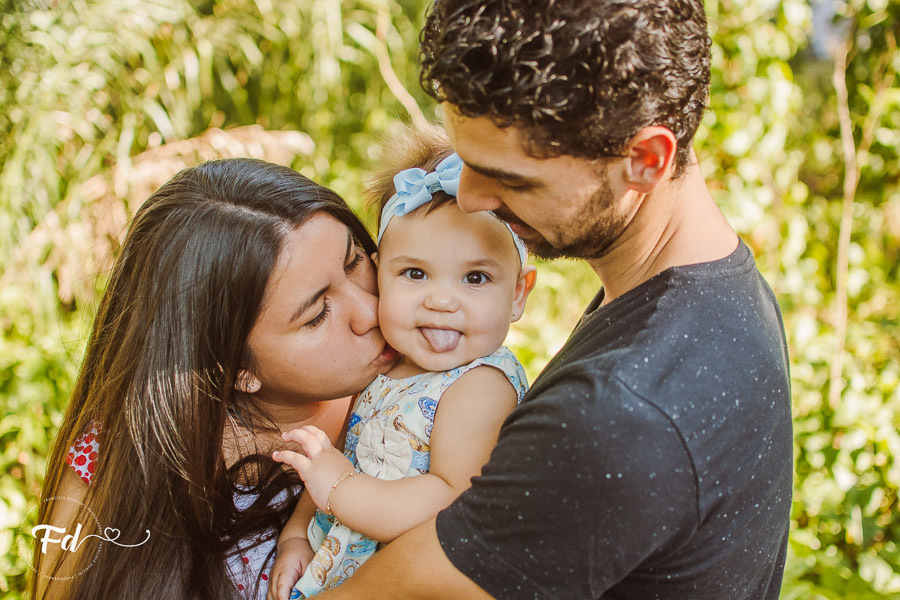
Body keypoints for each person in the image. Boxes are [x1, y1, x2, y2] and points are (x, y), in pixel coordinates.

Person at [310, 0, 794, 598]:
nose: (470, 197)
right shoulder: (714, 286)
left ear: (644, 161)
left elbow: (400, 587)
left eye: (510, 178)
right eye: (466, 162)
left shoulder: (623, 408)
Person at [31, 158, 400, 600]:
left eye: (355, 259)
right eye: (317, 315)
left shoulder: (429, 391)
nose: (371, 310)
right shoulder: (111, 470)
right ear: (234, 370)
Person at [266, 127, 537, 599]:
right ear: (379, 273)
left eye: (475, 277)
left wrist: (341, 490)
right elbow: (337, 462)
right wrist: (297, 535)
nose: (441, 301)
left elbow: (450, 500)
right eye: (415, 273)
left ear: (517, 293)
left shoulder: (479, 386)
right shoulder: (386, 365)